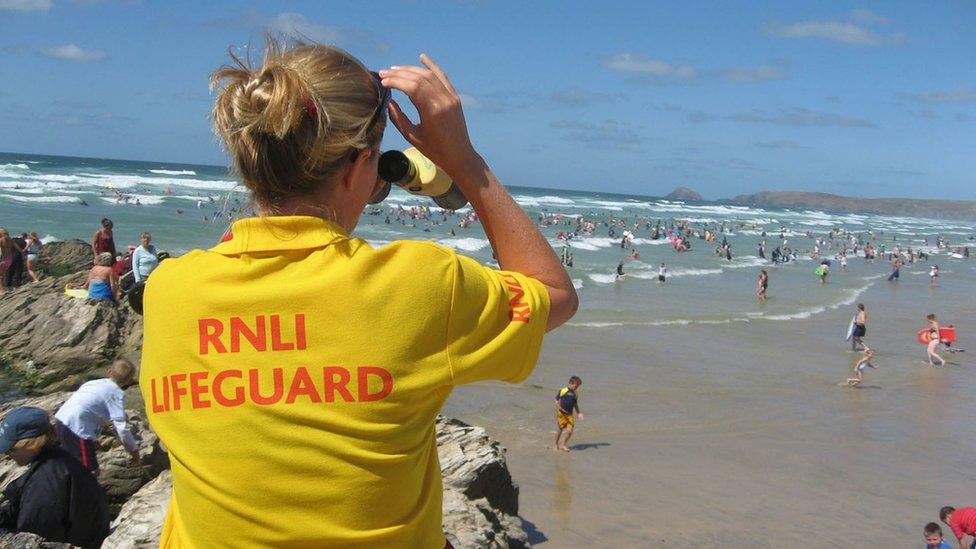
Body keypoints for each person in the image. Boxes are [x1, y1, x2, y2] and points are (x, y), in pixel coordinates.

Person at [139, 39, 577, 547]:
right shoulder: (418, 284)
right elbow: (554, 293)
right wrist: (463, 160)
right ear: (359, 167)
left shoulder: (169, 289)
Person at [0, 407, 109, 548]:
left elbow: (34, 538)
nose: (7, 454)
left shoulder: (45, 483)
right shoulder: (60, 458)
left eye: (11, 449)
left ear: (33, 444)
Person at [54, 359, 141, 473]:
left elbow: (89, 406)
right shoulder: (115, 394)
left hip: (61, 419)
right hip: (78, 429)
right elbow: (121, 428)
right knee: (89, 472)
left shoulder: (92, 383)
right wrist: (134, 451)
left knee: (70, 463)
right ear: (128, 381)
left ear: (109, 372)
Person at [553, 376, 584, 452]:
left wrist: (578, 413)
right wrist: (559, 408)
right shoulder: (563, 390)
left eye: (578, 386)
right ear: (571, 383)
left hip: (570, 415)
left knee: (570, 432)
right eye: (576, 386)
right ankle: (555, 444)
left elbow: (575, 404)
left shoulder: (575, 394)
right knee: (560, 430)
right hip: (562, 414)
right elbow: (555, 399)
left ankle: (563, 444)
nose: (577, 388)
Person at [0, 227, 15, 295]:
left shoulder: (1, 240)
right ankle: (3, 288)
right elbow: (16, 248)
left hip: (2, 260)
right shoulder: (11, 240)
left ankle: (1, 291)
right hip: (9, 260)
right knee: (2, 275)